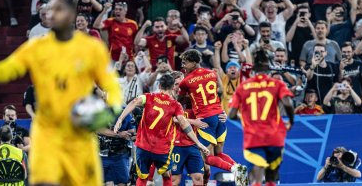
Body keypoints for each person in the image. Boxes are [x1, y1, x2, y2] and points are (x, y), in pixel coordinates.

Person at [0, 0, 123, 185]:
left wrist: (114, 107)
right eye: (50, 10)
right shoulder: (37, 46)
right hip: (47, 132)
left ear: (71, 14)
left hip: (79, 133)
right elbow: (9, 68)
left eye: (58, 9)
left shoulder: (91, 48)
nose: (52, 13)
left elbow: (111, 83)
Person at [113, 74, 210, 186]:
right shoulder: (175, 105)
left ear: (159, 85)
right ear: (173, 87)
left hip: (143, 146)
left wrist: (120, 119)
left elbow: (134, 101)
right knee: (167, 175)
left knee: (142, 177)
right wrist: (198, 144)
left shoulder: (148, 97)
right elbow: (184, 124)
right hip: (162, 149)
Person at [178, 49, 247, 185]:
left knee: (207, 158)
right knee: (218, 153)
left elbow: (181, 100)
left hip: (205, 118)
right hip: (220, 115)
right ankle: (238, 167)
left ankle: (233, 168)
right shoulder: (212, 74)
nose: (183, 65)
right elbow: (218, 91)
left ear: (193, 62)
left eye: (185, 62)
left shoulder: (185, 81)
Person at [229, 48, 295, 186]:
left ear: (253, 68)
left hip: (253, 137)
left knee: (256, 176)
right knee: (272, 176)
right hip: (275, 135)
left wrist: (243, 120)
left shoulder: (243, 86)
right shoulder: (277, 84)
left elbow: (232, 114)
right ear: (268, 67)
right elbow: (288, 104)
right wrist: (291, 121)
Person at [98, 110, 135, 186]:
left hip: (120, 154)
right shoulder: (99, 109)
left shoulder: (125, 111)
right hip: (102, 155)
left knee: (123, 182)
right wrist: (118, 134)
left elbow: (132, 129)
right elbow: (98, 129)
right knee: (104, 181)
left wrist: (128, 133)